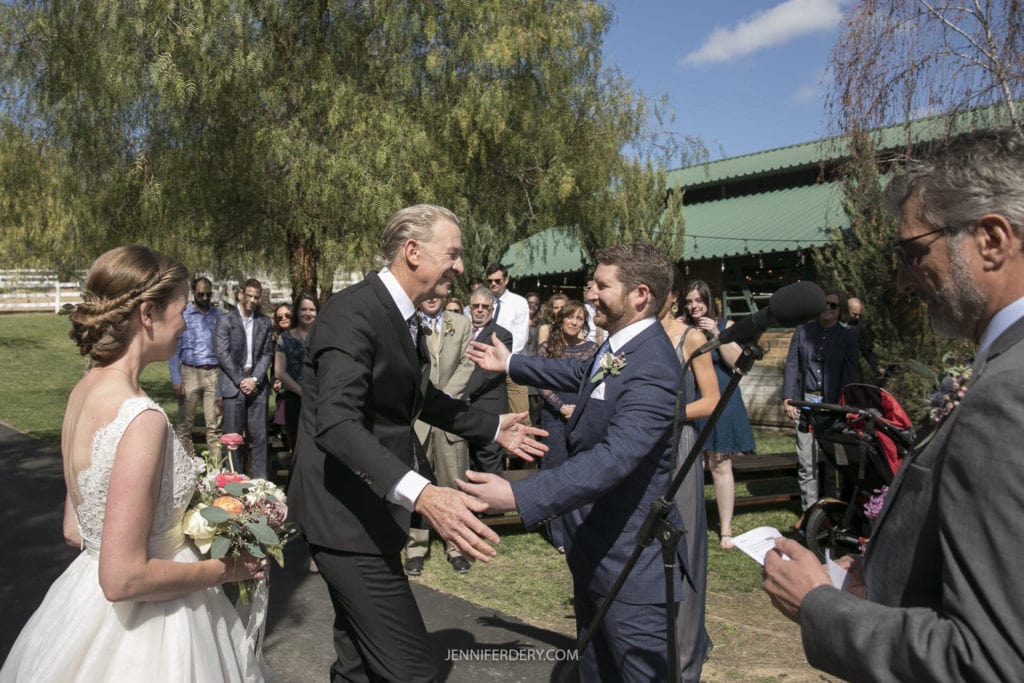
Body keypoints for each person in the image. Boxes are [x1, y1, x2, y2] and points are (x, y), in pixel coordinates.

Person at [763, 128, 1024, 681]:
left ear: (993, 240)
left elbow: (992, 660)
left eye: (912, 254)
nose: (903, 283)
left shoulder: (1007, 394)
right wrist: (874, 573)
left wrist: (820, 605)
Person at [286, 204, 546, 682]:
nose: (461, 266)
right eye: (453, 253)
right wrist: (425, 493)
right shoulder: (352, 314)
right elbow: (337, 425)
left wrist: (491, 427)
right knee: (415, 671)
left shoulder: (395, 314)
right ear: (412, 252)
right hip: (344, 522)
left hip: (371, 516)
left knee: (357, 666)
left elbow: (415, 395)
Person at [1, 246, 266, 682]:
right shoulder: (141, 419)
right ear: (148, 313)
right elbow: (122, 579)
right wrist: (227, 568)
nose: (184, 323)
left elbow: (75, 528)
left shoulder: (82, 391)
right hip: (153, 631)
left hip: (79, 604)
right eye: (180, 309)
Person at [460, 243, 687, 681]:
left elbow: (615, 457)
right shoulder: (621, 346)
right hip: (596, 548)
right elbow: (586, 377)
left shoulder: (655, 365)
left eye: (602, 286)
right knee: (595, 668)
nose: (591, 294)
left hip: (629, 562)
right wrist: (512, 364)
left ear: (640, 294)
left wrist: (518, 491)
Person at [660, 266, 719, 681]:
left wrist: (670, 414)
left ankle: (685, 655)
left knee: (686, 546)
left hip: (679, 445)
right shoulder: (635, 339)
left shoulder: (691, 337)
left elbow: (712, 400)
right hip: (641, 449)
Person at [403, 295, 477, 575]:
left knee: (453, 483)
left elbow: (467, 363)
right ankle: (415, 548)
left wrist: (443, 398)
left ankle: (456, 546)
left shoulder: (460, 323)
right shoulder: (407, 324)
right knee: (417, 484)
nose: (432, 298)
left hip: (450, 416)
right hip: (418, 417)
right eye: (427, 293)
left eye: (438, 293)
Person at [682, 279, 755, 549]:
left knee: (720, 464)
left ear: (708, 301)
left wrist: (716, 333)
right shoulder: (683, 329)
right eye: (689, 301)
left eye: (698, 301)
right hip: (695, 400)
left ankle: (725, 528)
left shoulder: (725, 327)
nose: (694, 306)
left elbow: (738, 363)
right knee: (691, 464)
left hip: (723, 402)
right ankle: (692, 520)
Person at [782, 287, 859, 510]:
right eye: (824, 303)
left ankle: (833, 511)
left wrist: (843, 406)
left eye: (833, 305)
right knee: (807, 462)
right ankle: (811, 512)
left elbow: (850, 372)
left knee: (833, 463)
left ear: (840, 310)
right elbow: (792, 366)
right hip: (806, 404)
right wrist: (788, 398)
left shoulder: (848, 336)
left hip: (833, 405)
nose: (828, 308)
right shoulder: (802, 332)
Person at [535, 300, 597, 552]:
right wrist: (560, 406)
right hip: (554, 415)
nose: (574, 322)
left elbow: (596, 383)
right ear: (561, 319)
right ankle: (559, 534)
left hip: (583, 414)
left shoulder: (593, 350)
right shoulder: (547, 348)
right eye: (570, 317)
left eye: (580, 318)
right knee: (556, 471)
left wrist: (579, 408)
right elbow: (540, 381)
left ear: (585, 323)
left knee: (584, 472)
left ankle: (584, 528)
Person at [215, 278, 275, 479]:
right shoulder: (225, 320)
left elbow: (267, 353)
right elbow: (223, 354)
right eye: (249, 295)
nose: (252, 300)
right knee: (232, 440)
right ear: (240, 294)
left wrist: (255, 379)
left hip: (257, 387)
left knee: (260, 438)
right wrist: (242, 380)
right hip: (234, 385)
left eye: (256, 297)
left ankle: (260, 486)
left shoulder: (264, 322)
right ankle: (233, 486)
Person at [169, 276, 224, 458]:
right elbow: (173, 350)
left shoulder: (219, 316)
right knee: (185, 425)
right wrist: (176, 378)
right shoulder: (183, 316)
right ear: (194, 293)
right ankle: (186, 468)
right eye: (201, 294)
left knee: (214, 426)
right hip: (189, 372)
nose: (205, 298)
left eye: (208, 294)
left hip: (214, 373)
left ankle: (215, 473)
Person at [463, 287, 514, 475]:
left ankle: (495, 504)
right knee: (468, 463)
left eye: (485, 306)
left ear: (492, 310)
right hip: (464, 410)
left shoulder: (501, 336)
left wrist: (462, 392)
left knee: (489, 463)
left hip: (489, 409)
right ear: (469, 308)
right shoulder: (461, 332)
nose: (480, 309)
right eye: (475, 305)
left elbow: (489, 373)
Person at [485, 262, 532, 421]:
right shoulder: (484, 302)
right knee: (493, 415)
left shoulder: (518, 303)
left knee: (520, 416)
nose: (493, 284)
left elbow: (521, 338)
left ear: (506, 280)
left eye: (497, 281)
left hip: (513, 366)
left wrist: (504, 359)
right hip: (488, 365)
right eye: (490, 281)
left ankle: (526, 445)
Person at [274, 292, 318, 455]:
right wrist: (302, 392)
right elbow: (279, 371)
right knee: (297, 452)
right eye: (303, 309)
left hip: (320, 400)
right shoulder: (285, 338)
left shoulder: (325, 335)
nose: (307, 313)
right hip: (294, 400)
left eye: (312, 309)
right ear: (297, 312)